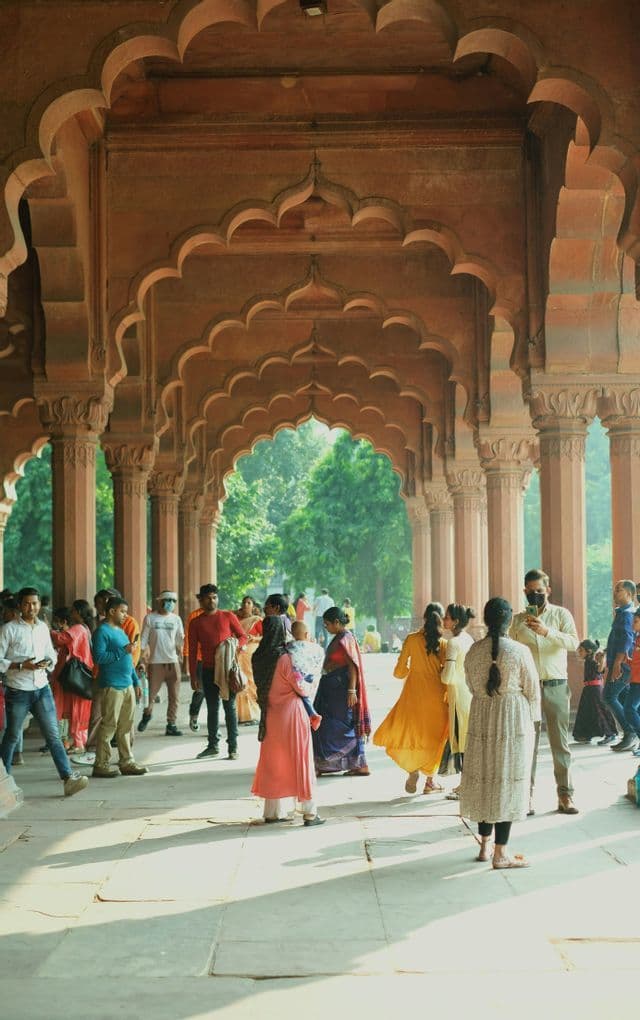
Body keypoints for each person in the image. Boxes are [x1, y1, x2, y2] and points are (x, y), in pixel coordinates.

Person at [461, 598, 540, 869]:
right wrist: (533, 722)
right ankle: (501, 854)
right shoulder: (519, 651)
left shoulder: (474, 651)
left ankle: (484, 847)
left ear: (485, 619)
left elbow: (471, 685)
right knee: (505, 780)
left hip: (482, 717)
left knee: (484, 778)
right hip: (512, 721)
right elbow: (532, 691)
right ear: (509, 621)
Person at [0, 587, 89, 796]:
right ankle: (3, 780)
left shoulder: (42, 628)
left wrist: (48, 662)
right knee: (12, 735)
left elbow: (51, 654)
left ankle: (68, 778)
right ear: (20, 606)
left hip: (42, 688)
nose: (31, 608)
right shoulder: (8, 629)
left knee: (54, 736)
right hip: (18, 690)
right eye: (27, 603)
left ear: (39, 605)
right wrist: (21, 665)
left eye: (34, 603)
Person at [510, 568, 579, 815]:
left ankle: (565, 795)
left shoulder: (561, 614)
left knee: (560, 743)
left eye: (539, 590)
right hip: (526, 689)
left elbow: (574, 643)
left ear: (548, 590)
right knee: (527, 743)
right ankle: (525, 796)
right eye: (530, 591)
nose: (535, 595)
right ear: (524, 591)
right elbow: (510, 650)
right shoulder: (517, 620)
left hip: (555, 685)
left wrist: (547, 631)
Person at [251, 615, 324, 825]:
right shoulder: (285, 658)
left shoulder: (258, 657)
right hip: (292, 714)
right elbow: (300, 686)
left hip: (270, 715)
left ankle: (272, 813)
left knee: (274, 762)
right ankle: (309, 812)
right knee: (301, 761)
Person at [373, 603, 449, 794]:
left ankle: (413, 770)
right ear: (441, 620)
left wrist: (412, 671)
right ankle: (430, 781)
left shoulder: (411, 639)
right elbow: (446, 673)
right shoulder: (443, 644)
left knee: (413, 733)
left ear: (424, 618)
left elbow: (399, 672)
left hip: (413, 694)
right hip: (436, 695)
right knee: (435, 737)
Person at [188, 583, 247, 760]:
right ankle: (213, 745)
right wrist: (193, 675)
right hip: (207, 669)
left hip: (228, 670)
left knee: (230, 707)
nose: (212, 601)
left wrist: (235, 646)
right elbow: (192, 650)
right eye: (208, 598)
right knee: (212, 708)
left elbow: (242, 636)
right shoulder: (196, 623)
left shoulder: (228, 616)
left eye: (214, 597)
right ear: (200, 600)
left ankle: (233, 747)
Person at [91, 596, 147, 778]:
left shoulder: (122, 632)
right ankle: (101, 764)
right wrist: (123, 650)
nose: (125, 615)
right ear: (112, 611)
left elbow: (128, 660)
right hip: (111, 685)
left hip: (127, 684)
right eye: (122, 611)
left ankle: (127, 762)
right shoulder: (102, 632)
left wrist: (136, 682)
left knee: (126, 726)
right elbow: (99, 657)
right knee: (109, 726)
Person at [313, 606, 371, 776]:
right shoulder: (339, 637)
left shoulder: (346, 639)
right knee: (329, 726)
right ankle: (334, 764)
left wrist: (352, 691)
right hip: (332, 690)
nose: (326, 627)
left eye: (327, 624)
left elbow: (353, 666)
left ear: (337, 622)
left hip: (341, 690)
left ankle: (358, 764)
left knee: (339, 726)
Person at [137, 590, 185, 736]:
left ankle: (171, 724)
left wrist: (181, 651)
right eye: (168, 600)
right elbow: (143, 640)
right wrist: (141, 660)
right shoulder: (150, 618)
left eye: (173, 601)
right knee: (150, 695)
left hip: (172, 662)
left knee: (174, 697)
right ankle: (147, 715)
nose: (171, 603)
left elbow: (180, 639)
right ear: (160, 601)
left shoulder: (176, 619)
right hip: (156, 662)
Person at [50, 601, 95, 754]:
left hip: (76, 674)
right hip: (79, 673)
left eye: (73, 611)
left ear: (78, 612)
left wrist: (48, 630)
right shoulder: (85, 628)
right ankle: (76, 741)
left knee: (76, 709)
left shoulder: (78, 628)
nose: (71, 614)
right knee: (76, 708)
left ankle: (78, 743)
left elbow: (60, 639)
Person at [441, 603, 476, 799]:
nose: (444, 620)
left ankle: (465, 786)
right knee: (467, 740)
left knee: (461, 742)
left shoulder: (453, 643)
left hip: (457, 696)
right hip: (468, 694)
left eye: (447, 617)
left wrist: (439, 673)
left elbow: (447, 677)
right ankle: (465, 784)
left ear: (455, 621)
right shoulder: (468, 638)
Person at [603, 579, 637, 752]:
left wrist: (617, 664)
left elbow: (626, 640)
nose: (615, 593)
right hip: (621, 663)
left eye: (619, 590)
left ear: (629, 594)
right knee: (622, 698)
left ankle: (630, 733)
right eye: (615, 589)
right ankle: (630, 735)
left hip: (623, 665)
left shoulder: (627, 614)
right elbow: (617, 639)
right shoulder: (622, 613)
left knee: (608, 696)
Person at [573, 639, 617, 744]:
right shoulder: (588, 660)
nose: (579, 652)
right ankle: (585, 734)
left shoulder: (594, 660)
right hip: (588, 689)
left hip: (595, 690)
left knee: (600, 710)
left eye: (581, 650)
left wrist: (603, 658)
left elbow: (599, 670)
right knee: (586, 711)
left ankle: (610, 733)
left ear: (589, 651)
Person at [288, 620, 323, 730]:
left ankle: (311, 715)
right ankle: (312, 715)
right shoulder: (317, 649)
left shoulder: (288, 647)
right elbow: (320, 666)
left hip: (294, 685)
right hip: (311, 683)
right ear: (307, 634)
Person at [236, 596, 262, 725]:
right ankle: (242, 716)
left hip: (251, 655)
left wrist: (254, 638)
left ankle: (254, 714)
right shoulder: (236, 620)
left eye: (249, 602)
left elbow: (265, 637)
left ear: (253, 606)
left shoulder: (257, 620)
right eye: (244, 602)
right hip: (238, 654)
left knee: (251, 683)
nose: (246, 604)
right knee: (239, 682)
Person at [183, 591, 205, 731]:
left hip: (216, 660)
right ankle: (194, 716)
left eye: (213, 598)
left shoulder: (220, 615)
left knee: (216, 693)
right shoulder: (194, 616)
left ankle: (213, 724)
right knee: (200, 691)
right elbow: (188, 640)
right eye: (205, 598)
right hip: (199, 659)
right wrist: (186, 660)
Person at [624, 608, 640, 757]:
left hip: (638, 681)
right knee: (634, 710)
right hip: (635, 680)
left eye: (636, 621)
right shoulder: (637, 638)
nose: (633, 624)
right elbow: (637, 662)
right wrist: (627, 660)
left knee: (629, 710)